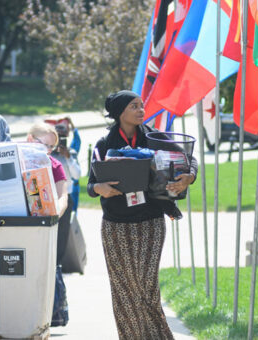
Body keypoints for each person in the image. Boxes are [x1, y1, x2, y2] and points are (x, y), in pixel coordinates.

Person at [87, 90, 198, 339]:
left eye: (141, 105)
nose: (141, 110)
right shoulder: (104, 144)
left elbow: (189, 159)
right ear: (120, 113)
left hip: (151, 221)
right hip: (115, 225)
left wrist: (189, 177)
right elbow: (90, 185)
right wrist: (99, 188)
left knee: (146, 286)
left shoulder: (156, 139)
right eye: (134, 106)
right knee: (123, 288)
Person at [26, 122, 70, 326]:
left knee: (44, 270)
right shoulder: (17, 160)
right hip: (19, 227)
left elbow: (63, 197)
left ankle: (47, 316)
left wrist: (55, 215)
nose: (48, 150)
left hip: (46, 226)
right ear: (29, 140)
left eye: (51, 147)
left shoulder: (54, 165)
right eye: (44, 145)